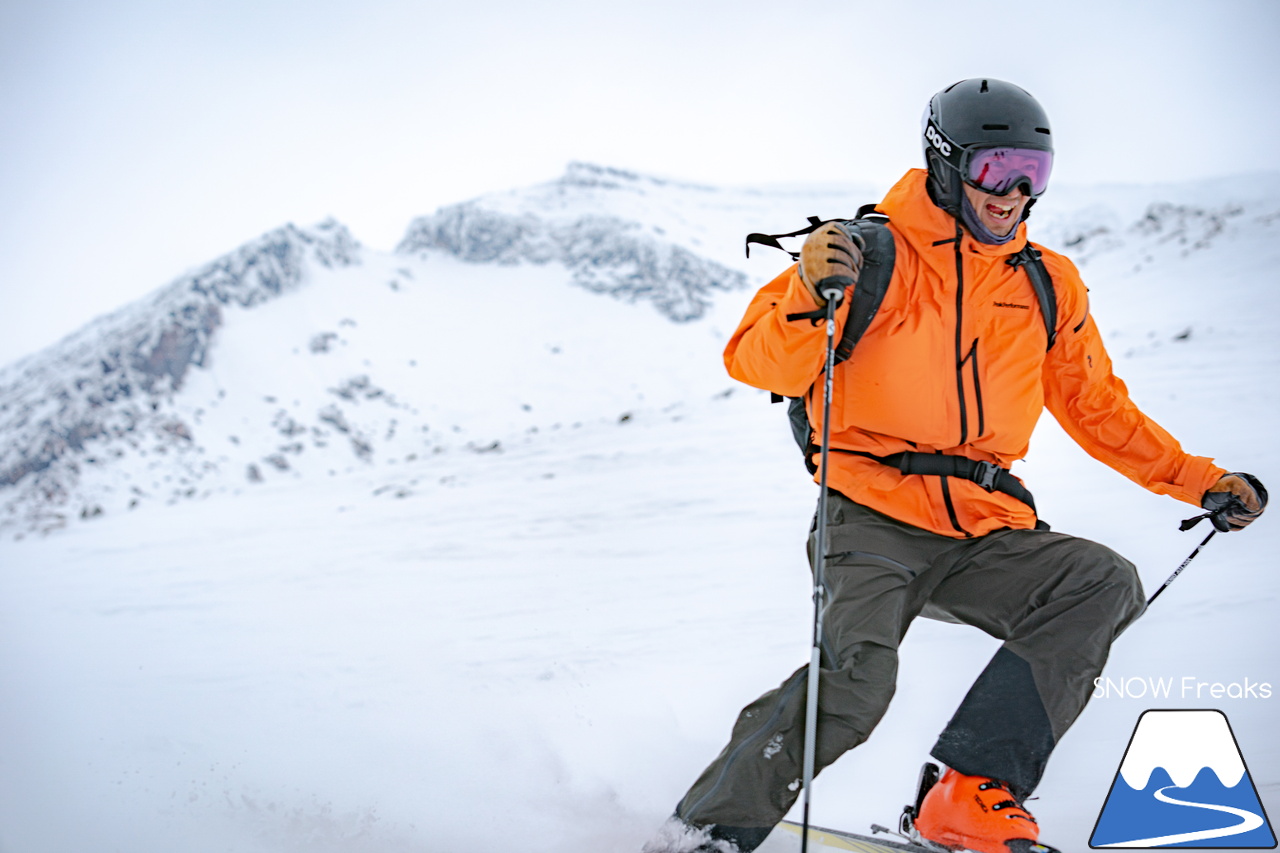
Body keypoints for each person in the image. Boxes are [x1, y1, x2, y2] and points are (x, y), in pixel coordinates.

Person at [646, 78, 1267, 853]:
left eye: (1033, 175)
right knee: (856, 685)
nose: (1012, 193)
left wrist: (1199, 479)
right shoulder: (866, 253)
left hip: (982, 523)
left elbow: (1097, 408)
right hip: (869, 513)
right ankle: (704, 832)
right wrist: (808, 289)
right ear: (945, 164)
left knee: (1099, 580)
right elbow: (756, 360)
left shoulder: (1045, 283)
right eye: (996, 168)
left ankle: (970, 789)